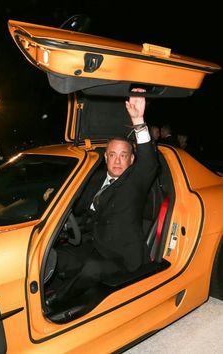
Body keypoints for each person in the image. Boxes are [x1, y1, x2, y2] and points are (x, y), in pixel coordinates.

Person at [48, 88, 158, 304]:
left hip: (122, 256)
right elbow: (77, 204)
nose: (117, 161)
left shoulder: (135, 181)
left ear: (132, 160)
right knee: (55, 256)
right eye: (113, 155)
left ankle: (57, 303)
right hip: (94, 243)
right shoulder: (96, 178)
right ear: (106, 157)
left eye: (123, 156)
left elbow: (149, 162)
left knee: (91, 268)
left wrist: (138, 120)